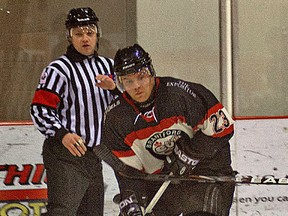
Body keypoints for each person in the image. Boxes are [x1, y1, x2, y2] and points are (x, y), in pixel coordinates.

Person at [99, 44, 235, 216]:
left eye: (141, 77)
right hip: (162, 182)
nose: (137, 86)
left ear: (151, 71)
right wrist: (132, 199)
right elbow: (129, 173)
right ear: (120, 82)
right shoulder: (116, 119)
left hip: (207, 174)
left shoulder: (180, 96)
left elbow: (224, 128)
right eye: (128, 81)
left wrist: (189, 153)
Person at [30, 7, 117, 216]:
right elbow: (40, 110)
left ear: (98, 34)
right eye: (78, 33)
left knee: (92, 212)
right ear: (70, 37)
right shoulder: (58, 69)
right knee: (63, 212)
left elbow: (128, 106)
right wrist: (63, 134)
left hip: (94, 155)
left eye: (89, 32)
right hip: (64, 155)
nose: (85, 38)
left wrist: (115, 90)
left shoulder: (109, 67)